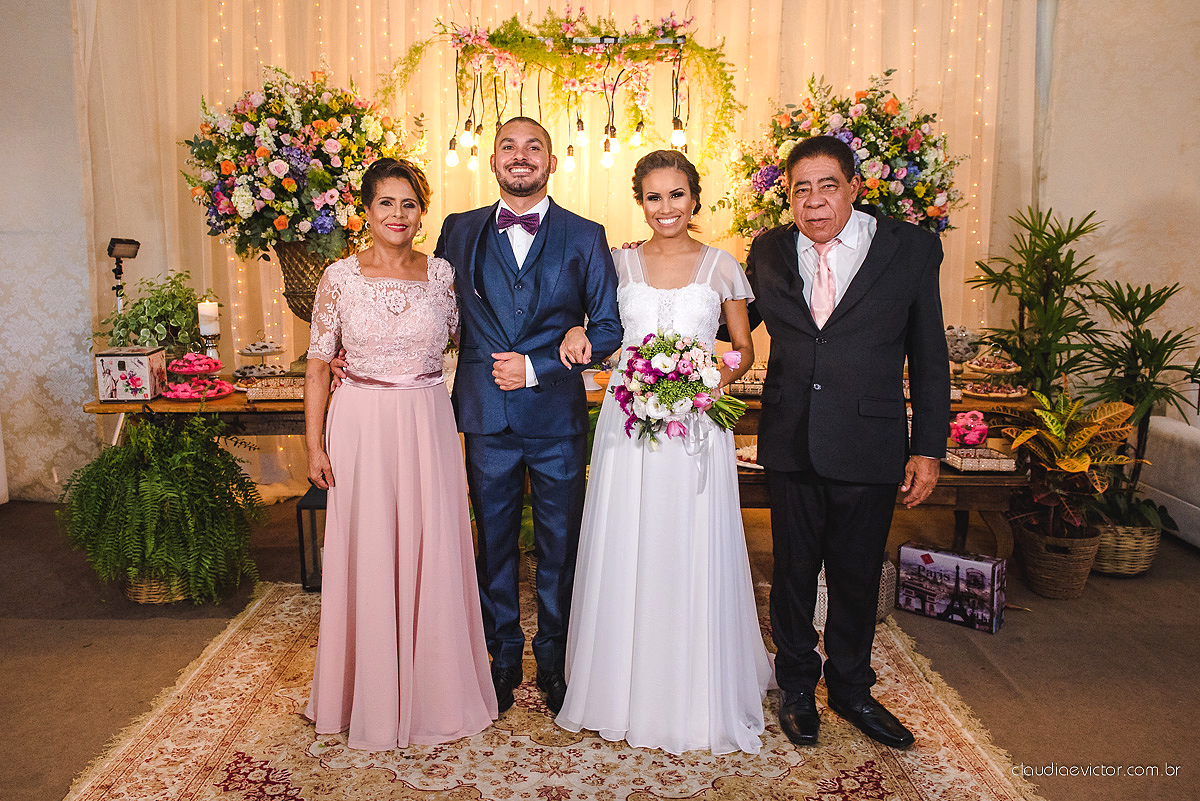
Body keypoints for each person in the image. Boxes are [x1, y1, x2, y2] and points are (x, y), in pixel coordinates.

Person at [554, 149, 773, 755]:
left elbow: (741, 351)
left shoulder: (722, 267)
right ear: (640, 202)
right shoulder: (616, 264)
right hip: (630, 424)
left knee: (688, 542)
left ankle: (695, 685)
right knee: (630, 540)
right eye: (654, 197)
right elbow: (593, 329)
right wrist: (580, 335)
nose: (666, 207)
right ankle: (619, 686)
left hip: (697, 428)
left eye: (677, 195)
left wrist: (700, 384)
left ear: (694, 198)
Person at [742, 135, 950, 750]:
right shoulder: (769, 249)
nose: (813, 202)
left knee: (858, 574)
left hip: (871, 438)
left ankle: (853, 687)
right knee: (793, 570)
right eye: (800, 189)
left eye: (827, 185)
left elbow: (930, 355)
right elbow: (731, 322)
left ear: (855, 187)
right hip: (791, 434)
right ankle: (799, 684)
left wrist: (928, 446)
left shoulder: (909, 249)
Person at [303, 158, 497, 750]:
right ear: (366, 210)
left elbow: (470, 345)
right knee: (367, 547)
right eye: (386, 203)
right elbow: (317, 362)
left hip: (426, 418)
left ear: (422, 211)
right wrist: (314, 444)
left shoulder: (443, 275)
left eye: (409, 204)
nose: (397, 215)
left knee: (431, 544)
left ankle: (435, 689)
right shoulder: (338, 278)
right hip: (360, 420)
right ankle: (362, 693)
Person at [434, 117, 623, 716]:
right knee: (491, 545)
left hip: (555, 419)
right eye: (509, 148)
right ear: (492, 161)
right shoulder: (458, 230)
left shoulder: (586, 235)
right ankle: (501, 654)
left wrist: (541, 364)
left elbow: (610, 327)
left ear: (551, 161)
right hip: (485, 414)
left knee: (559, 543)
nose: (521, 157)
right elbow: (434, 311)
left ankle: (555, 656)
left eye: (533, 147)